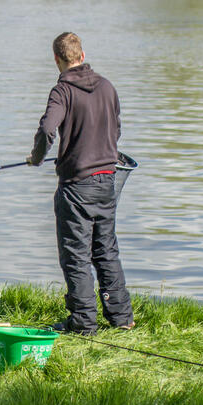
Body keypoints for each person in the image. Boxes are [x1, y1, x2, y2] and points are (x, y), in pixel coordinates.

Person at [28, 32, 134, 335]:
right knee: (105, 249)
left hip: (77, 186)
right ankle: (121, 318)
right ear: (82, 55)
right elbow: (116, 128)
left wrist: (37, 158)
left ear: (57, 59)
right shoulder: (107, 87)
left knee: (76, 254)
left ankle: (83, 322)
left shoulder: (62, 90)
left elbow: (48, 129)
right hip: (108, 179)